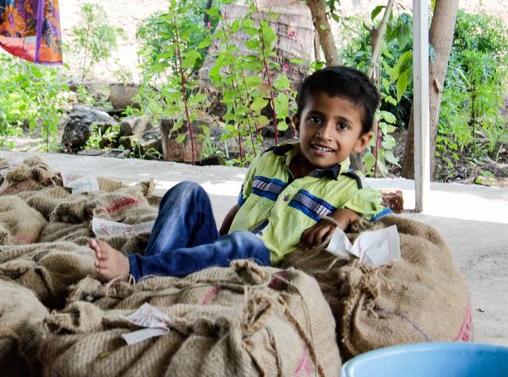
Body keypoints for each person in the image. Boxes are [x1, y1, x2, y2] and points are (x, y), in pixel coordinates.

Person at [89, 66, 392, 282]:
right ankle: (155, 272)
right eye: (315, 119)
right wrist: (215, 243)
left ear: (362, 141)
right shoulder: (268, 161)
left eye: (342, 126)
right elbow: (241, 206)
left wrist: (338, 217)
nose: (324, 134)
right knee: (186, 190)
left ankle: (137, 269)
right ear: (296, 120)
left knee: (245, 242)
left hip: (260, 264)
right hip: (227, 248)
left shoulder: (348, 188)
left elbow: (376, 203)